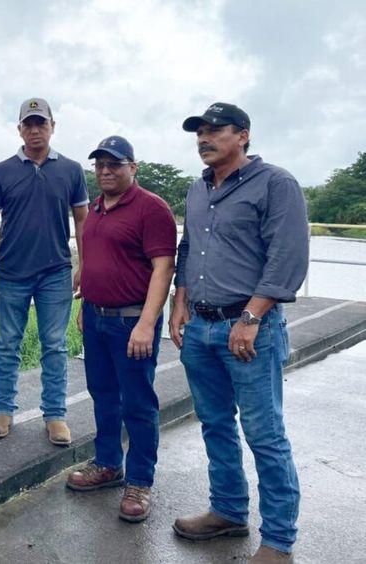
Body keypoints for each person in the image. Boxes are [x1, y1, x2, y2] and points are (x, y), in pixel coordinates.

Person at [169, 103, 308, 564]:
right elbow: (188, 248)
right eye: (200, 132)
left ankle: (279, 542)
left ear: (243, 135)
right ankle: (228, 510)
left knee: (264, 434)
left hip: (249, 330)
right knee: (214, 425)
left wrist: (251, 318)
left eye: (215, 131)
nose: (204, 138)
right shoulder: (197, 188)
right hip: (202, 328)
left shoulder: (276, 184)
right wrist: (179, 303)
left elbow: (287, 256)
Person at [64, 136, 176, 523]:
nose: (106, 171)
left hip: (132, 321)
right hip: (96, 318)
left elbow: (163, 268)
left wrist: (147, 324)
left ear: (133, 167)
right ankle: (109, 464)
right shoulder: (96, 207)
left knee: (138, 404)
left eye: (115, 164)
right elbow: (97, 257)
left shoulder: (151, 208)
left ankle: (140, 481)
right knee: (103, 395)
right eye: (100, 165)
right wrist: (87, 303)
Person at [0, 98, 89, 446]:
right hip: (12, 270)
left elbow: (82, 219)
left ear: (53, 126)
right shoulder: (1, 171)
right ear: (19, 130)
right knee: (6, 344)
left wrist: (84, 264)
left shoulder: (71, 170)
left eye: (41, 123)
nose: (35, 129)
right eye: (29, 124)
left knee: (55, 346)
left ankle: (55, 415)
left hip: (56, 271)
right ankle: (2, 409)